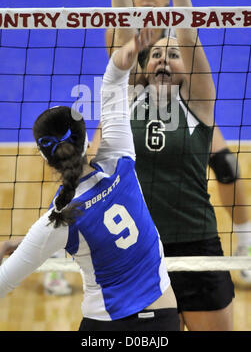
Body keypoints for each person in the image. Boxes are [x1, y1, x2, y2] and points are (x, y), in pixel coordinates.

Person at [98, 0, 235, 331]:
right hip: (137, 248)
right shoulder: (127, 98)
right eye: (156, 53)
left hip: (197, 246)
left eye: (172, 55)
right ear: (141, 63)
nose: (163, 59)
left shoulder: (198, 104)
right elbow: (126, 35)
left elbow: (190, 38)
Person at [0, 28, 180, 332]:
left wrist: (27, 244)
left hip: (107, 327)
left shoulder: (57, 223)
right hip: (164, 320)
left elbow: (5, 282)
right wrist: (135, 45)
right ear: (86, 143)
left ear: (45, 159)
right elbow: (113, 79)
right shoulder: (119, 161)